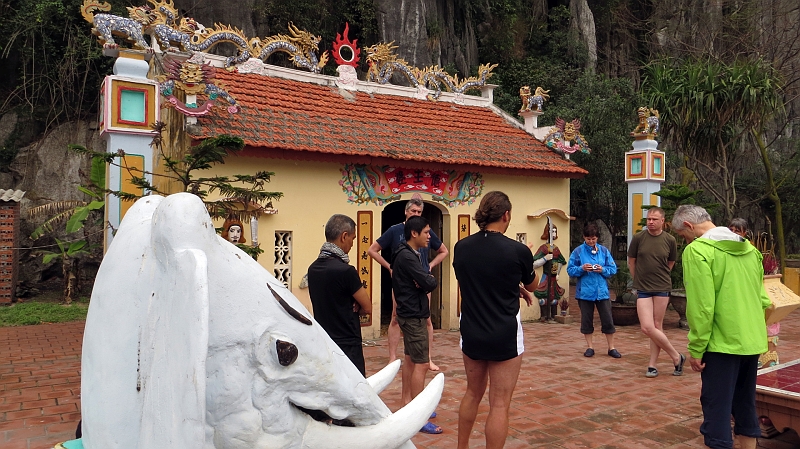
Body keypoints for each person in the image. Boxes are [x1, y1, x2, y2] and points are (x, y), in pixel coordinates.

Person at [672, 205, 771, 449]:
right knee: (745, 404)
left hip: (721, 344)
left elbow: (702, 306)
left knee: (717, 409)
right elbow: (764, 300)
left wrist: (697, 347)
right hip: (751, 340)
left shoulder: (698, 251)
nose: (685, 241)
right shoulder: (750, 249)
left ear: (688, 226)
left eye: (683, 236)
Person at [453, 191, 537, 449]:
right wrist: (519, 284)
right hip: (504, 333)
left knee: (472, 393)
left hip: (472, 329)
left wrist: (513, 285)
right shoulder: (518, 250)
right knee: (499, 403)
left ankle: (462, 447)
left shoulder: (462, 247)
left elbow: (472, 281)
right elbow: (533, 285)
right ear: (506, 215)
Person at [367, 196, 448, 371]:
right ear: (406, 212)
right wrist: (389, 267)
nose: (416, 214)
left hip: (422, 282)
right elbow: (372, 250)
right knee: (396, 318)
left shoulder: (427, 231)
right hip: (402, 284)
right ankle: (392, 358)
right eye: (413, 211)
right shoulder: (395, 230)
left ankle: (427, 357)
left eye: (419, 212)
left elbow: (443, 251)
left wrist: (430, 266)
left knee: (426, 319)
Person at [390, 215, 440, 434]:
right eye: (427, 232)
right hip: (413, 316)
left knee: (411, 361)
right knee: (420, 363)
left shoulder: (407, 253)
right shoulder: (408, 258)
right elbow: (429, 282)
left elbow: (423, 281)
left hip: (410, 313)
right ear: (414, 233)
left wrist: (422, 281)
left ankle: (409, 404)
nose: (430, 236)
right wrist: (424, 281)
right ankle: (419, 416)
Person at [307, 214, 372, 376]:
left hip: (324, 341)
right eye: (352, 238)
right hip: (348, 342)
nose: (352, 244)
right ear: (344, 236)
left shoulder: (313, 269)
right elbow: (368, 307)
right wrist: (355, 303)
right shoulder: (346, 271)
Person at [627, 206, 684, 378]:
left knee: (657, 326)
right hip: (643, 288)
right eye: (648, 219)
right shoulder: (638, 238)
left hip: (661, 287)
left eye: (654, 219)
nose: (650, 222)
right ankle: (676, 356)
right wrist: (639, 279)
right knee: (647, 327)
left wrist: (659, 275)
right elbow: (631, 262)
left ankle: (652, 365)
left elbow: (671, 262)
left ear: (662, 222)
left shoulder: (669, 240)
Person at [567, 223, 620, 358]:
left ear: (597, 238)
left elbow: (612, 269)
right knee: (586, 320)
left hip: (602, 292)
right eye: (588, 239)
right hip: (585, 292)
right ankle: (590, 346)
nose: (591, 241)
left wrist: (602, 270)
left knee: (607, 319)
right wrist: (582, 269)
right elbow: (570, 270)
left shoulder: (603, 251)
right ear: (584, 237)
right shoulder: (578, 252)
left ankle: (611, 347)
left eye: (594, 239)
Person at [532, 220, 567, 321]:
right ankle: (544, 316)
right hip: (546, 275)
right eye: (551, 231)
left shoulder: (556, 248)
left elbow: (561, 261)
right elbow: (533, 263)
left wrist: (558, 273)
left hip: (554, 277)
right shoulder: (543, 248)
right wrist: (545, 258)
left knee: (554, 299)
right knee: (543, 299)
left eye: (555, 232)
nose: (553, 234)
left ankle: (553, 316)